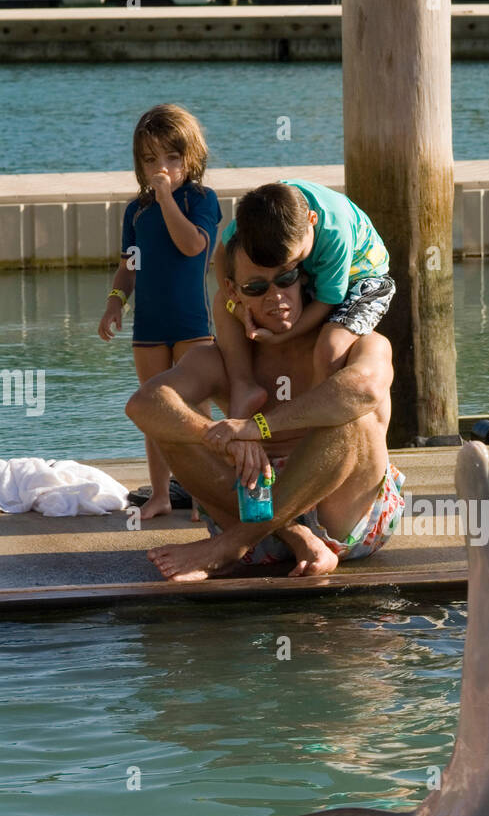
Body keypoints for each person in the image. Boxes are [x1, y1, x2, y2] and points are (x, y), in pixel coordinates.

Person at [125, 215, 405, 582]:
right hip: (255, 514)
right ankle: (291, 535)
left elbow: (365, 388)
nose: (276, 297)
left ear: (303, 277)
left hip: (346, 521)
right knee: (172, 424)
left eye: (285, 279)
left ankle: (230, 545)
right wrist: (218, 434)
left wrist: (256, 427)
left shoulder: (357, 342)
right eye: (256, 287)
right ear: (233, 293)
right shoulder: (221, 359)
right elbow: (143, 404)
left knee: (355, 415)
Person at [98, 104, 221, 518]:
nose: (161, 167)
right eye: (151, 160)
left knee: (196, 410)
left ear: (191, 157)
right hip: (149, 326)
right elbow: (128, 264)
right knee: (154, 411)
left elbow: (192, 246)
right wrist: (115, 303)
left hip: (192, 324)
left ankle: (205, 494)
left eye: (171, 157)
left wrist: (167, 197)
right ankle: (161, 494)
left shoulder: (201, 199)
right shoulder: (136, 211)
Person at [213, 180, 395, 423]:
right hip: (314, 273)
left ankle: (313, 417)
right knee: (220, 303)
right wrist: (235, 305)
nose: (287, 266)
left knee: (330, 348)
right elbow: (222, 254)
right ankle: (243, 385)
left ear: (312, 219)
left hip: (362, 278)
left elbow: (328, 299)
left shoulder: (334, 230)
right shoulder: (257, 219)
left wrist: (282, 336)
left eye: (293, 260)